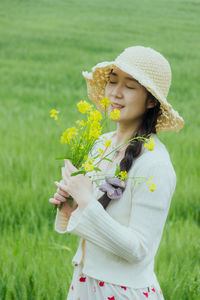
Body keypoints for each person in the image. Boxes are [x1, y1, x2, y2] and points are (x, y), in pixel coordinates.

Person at [49, 45, 184, 299]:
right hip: (84, 284)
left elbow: (139, 249)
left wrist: (87, 201)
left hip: (121, 292)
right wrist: (72, 207)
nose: (115, 93)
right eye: (112, 82)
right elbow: (97, 220)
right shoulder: (101, 143)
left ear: (151, 100)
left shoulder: (155, 165)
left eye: (130, 86)